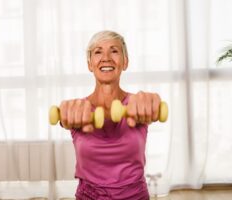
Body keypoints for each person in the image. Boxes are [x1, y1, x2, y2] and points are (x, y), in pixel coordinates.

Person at [59, 30, 162, 200]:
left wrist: (153, 102)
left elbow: (151, 104)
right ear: (90, 64)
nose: (106, 57)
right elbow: (64, 115)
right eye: (98, 52)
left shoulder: (137, 105)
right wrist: (65, 112)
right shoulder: (80, 109)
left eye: (114, 51)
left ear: (125, 62)